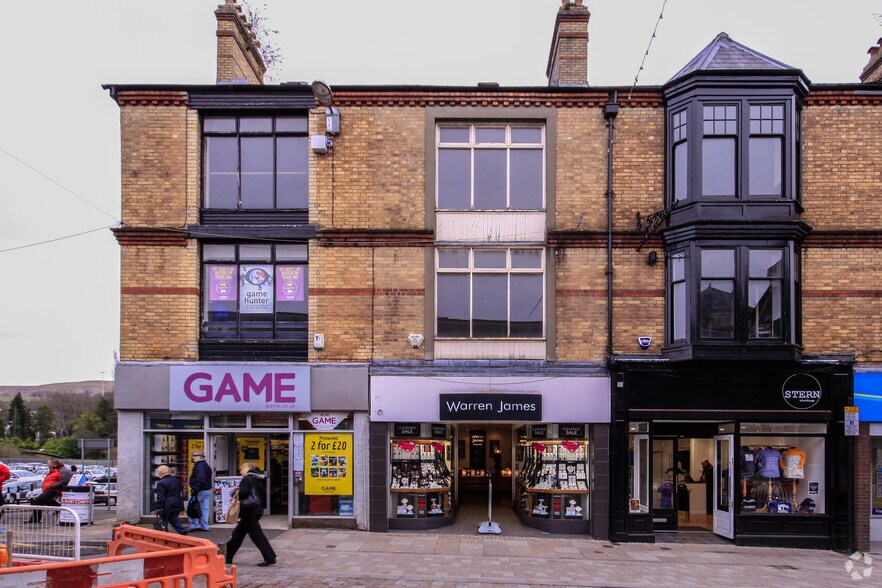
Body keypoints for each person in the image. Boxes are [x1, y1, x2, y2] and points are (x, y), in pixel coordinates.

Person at [224, 462, 277, 567]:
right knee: (238, 534)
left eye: (241, 469)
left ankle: (270, 557)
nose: (240, 471)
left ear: (247, 468)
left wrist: (235, 490)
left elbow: (243, 493)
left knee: (256, 535)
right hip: (255, 509)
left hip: (249, 511)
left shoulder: (247, 479)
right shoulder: (257, 479)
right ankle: (227, 556)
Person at [29, 458, 72, 523]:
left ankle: (36, 519)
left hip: (54, 491)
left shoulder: (63, 471)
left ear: (53, 464)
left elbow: (64, 481)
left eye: (49, 464)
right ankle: (35, 519)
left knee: (37, 501)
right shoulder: (55, 470)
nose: (48, 465)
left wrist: (52, 486)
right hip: (50, 490)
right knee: (39, 501)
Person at [154, 465, 187, 534]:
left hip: (168, 504)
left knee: (164, 520)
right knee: (173, 518)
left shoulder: (161, 483)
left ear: (160, 472)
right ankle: (182, 531)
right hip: (178, 502)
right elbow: (180, 491)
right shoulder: (176, 480)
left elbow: (161, 496)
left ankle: (164, 535)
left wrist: (158, 506)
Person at [188, 450, 212, 532]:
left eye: (195, 456)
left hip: (200, 490)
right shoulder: (204, 465)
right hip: (206, 489)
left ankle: (194, 525)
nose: (193, 457)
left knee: (192, 506)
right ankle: (205, 526)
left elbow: (200, 479)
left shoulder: (200, 466)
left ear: (200, 457)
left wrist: (195, 490)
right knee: (204, 509)